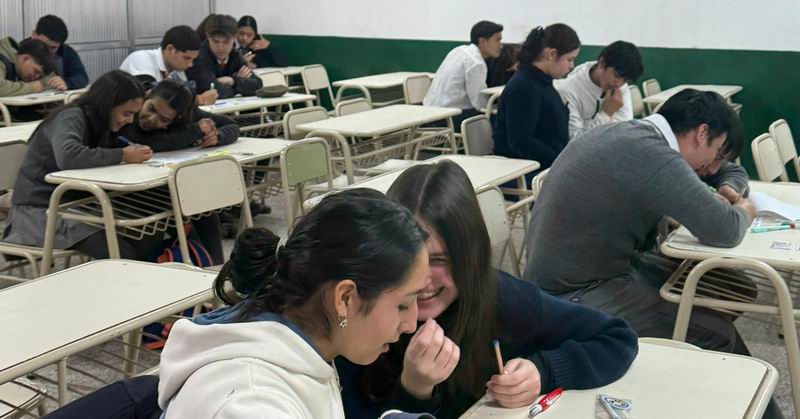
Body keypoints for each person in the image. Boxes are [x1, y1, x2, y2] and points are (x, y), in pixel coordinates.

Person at [338, 161, 638, 419]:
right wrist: (413, 389)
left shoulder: (501, 298)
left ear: (471, 258)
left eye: (439, 260)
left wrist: (542, 371)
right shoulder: (360, 317)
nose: (422, 281)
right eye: (408, 261)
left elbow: (616, 338)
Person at [157, 189, 431, 418]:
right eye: (403, 305)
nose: (410, 324)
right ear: (345, 299)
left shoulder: (302, 339)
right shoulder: (252, 404)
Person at [2, 70, 160, 260]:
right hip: (38, 213)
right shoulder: (71, 117)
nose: (130, 120)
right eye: (126, 113)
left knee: (148, 238)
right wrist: (122, 155)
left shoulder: (104, 123)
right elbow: (68, 156)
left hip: (77, 206)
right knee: (119, 252)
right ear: (106, 105)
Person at [117, 79, 239, 264]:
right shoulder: (130, 110)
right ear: (147, 95)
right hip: (130, 192)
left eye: (164, 119)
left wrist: (217, 137)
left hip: (169, 187)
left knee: (203, 206)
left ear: (178, 118)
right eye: (151, 109)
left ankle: (215, 270)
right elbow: (147, 142)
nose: (151, 119)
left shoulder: (187, 114)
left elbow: (231, 125)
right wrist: (196, 130)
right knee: (186, 205)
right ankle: (203, 266)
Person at [492, 24, 580, 175]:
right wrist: (561, 160)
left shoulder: (541, 81)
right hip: (523, 171)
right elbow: (521, 141)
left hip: (546, 164)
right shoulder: (524, 87)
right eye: (569, 59)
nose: (572, 66)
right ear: (551, 54)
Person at [555, 40, 643, 140]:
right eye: (616, 75)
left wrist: (589, 125)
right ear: (602, 63)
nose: (618, 84)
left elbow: (623, 128)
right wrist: (606, 114)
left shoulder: (620, 84)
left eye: (626, 80)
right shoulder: (569, 90)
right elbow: (576, 140)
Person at [423, 21, 503, 129]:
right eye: (497, 40)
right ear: (482, 42)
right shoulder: (476, 63)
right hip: (445, 118)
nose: (501, 45)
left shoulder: (458, 50)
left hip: (429, 111)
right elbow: (480, 104)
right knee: (498, 118)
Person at [119, 25, 218, 106]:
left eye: (193, 59)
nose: (190, 64)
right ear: (170, 49)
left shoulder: (177, 70)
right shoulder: (141, 58)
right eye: (187, 58)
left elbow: (187, 95)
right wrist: (199, 99)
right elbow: (151, 95)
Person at [186, 14, 263, 99]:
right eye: (215, 41)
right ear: (208, 36)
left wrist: (233, 81)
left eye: (226, 42)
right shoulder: (197, 57)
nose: (220, 47)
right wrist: (240, 86)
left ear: (234, 37)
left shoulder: (235, 55)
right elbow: (210, 90)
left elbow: (257, 85)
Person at [29, 14, 89, 90]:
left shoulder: (66, 52)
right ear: (34, 35)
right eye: (43, 45)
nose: (46, 52)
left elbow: (81, 77)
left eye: (53, 48)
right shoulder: (19, 51)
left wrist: (67, 83)